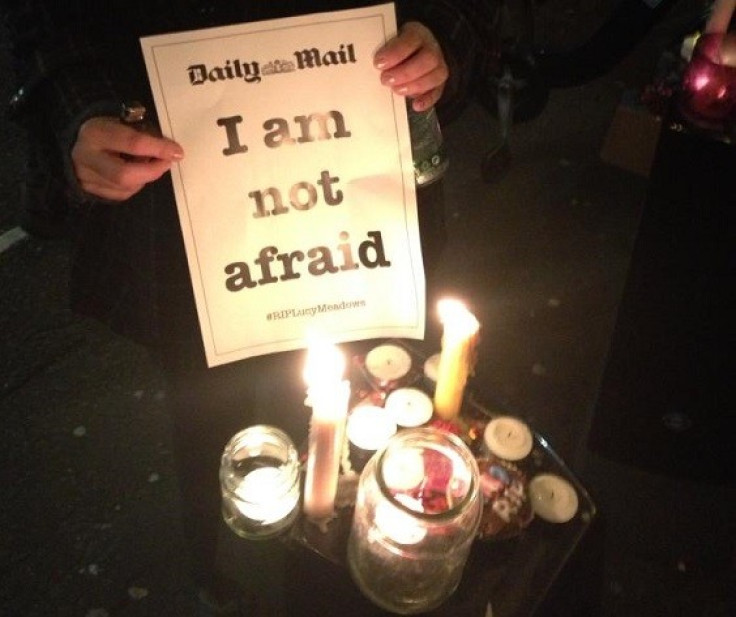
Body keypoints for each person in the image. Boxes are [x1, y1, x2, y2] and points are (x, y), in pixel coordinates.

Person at [3, 1, 485, 614]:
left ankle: (346, 573)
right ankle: (220, 568)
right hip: (181, 188)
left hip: (361, 178)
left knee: (372, 402)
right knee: (208, 412)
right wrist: (79, 108)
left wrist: (442, 31)